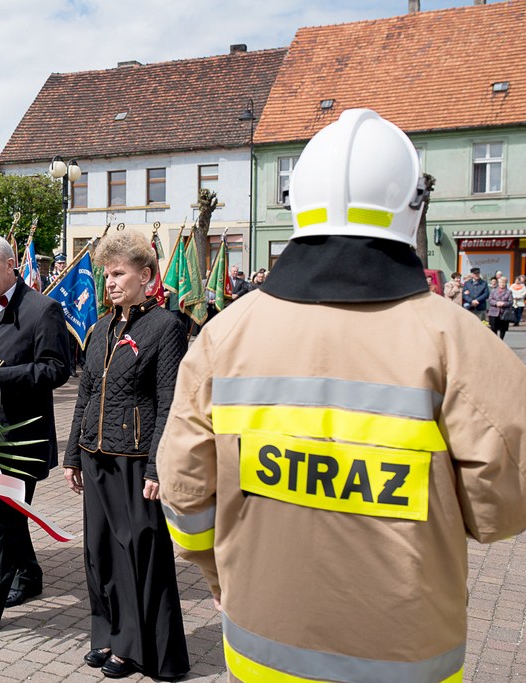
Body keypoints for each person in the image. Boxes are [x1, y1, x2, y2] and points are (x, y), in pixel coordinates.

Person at [156, 109, 526, 683]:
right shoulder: (460, 345)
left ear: (299, 203)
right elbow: (503, 511)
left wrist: (217, 572)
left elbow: (184, 494)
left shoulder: (223, 337)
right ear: (412, 206)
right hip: (406, 653)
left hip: (261, 644)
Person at [63, 230, 190, 680]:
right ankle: (109, 635)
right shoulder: (101, 327)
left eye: (119, 273)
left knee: (138, 552)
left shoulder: (167, 327)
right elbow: (87, 392)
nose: (110, 282)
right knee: (99, 553)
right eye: (106, 274)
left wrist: (158, 465)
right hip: (97, 456)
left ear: (146, 276)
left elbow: (170, 400)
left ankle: (140, 649)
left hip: (136, 462)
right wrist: (73, 453)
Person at [0, 234, 71, 629]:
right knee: (8, 511)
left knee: (7, 516)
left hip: (22, 436)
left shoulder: (43, 310)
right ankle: (31, 574)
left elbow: (57, 369)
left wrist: (0, 377)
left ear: (10, 265)